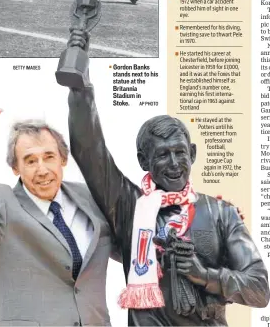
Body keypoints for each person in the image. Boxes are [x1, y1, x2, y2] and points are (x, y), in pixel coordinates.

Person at [66, 35, 270, 326]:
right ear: (143, 161)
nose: (174, 164)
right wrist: (80, 85)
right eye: (162, 155)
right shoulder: (130, 207)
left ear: (193, 154)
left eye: (180, 153)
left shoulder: (221, 213)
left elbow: (260, 290)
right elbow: (90, 151)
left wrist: (205, 275)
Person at [0, 76, 116, 326]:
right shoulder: (1, 204)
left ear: (63, 160)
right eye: (30, 161)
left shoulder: (92, 198)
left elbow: (132, 248)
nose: (42, 169)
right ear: (15, 168)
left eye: (49, 157)